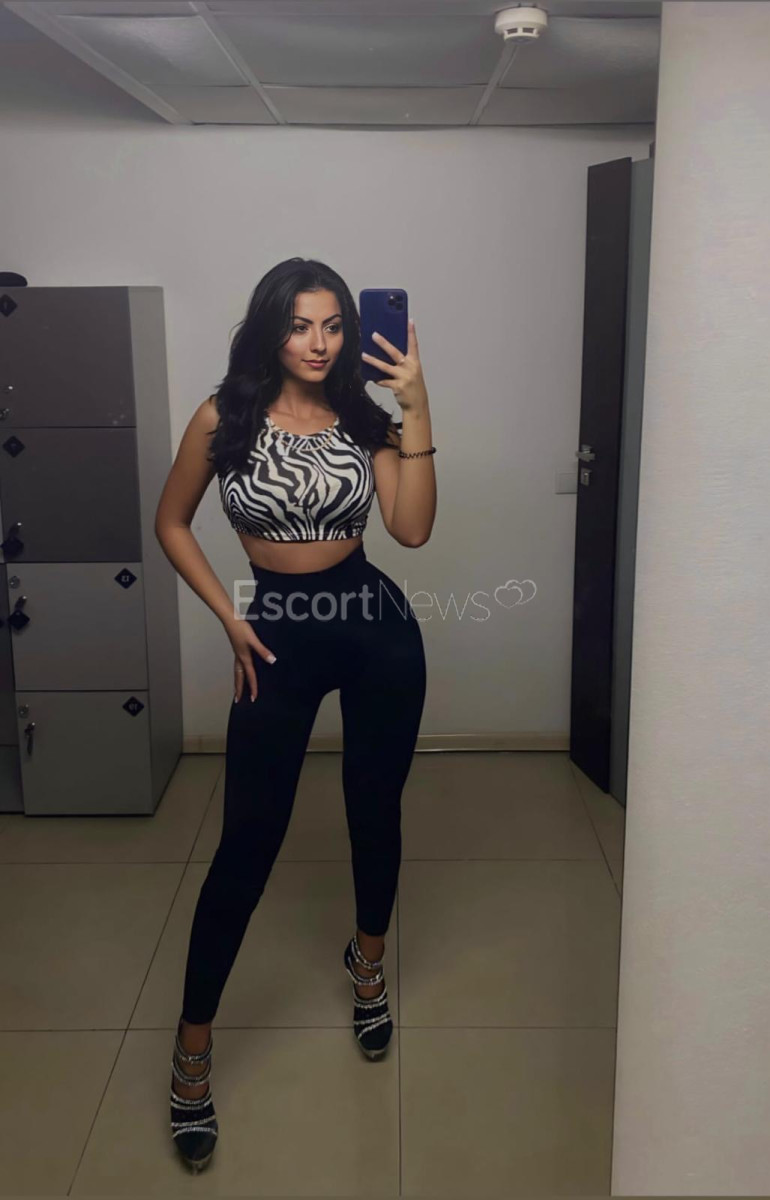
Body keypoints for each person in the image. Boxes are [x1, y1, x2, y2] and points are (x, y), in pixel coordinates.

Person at [154, 257, 437, 1173]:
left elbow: (412, 530)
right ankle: (193, 1050)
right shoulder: (223, 417)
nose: (319, 344)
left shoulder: (365, 417)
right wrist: (229, 616)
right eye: (300, 325)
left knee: (374, 809)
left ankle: (368, 964)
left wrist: (417, 408)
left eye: (334, 326)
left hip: (375, 627)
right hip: (275, 634)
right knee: (247, 842)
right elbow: (171, 522)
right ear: (270, 327)